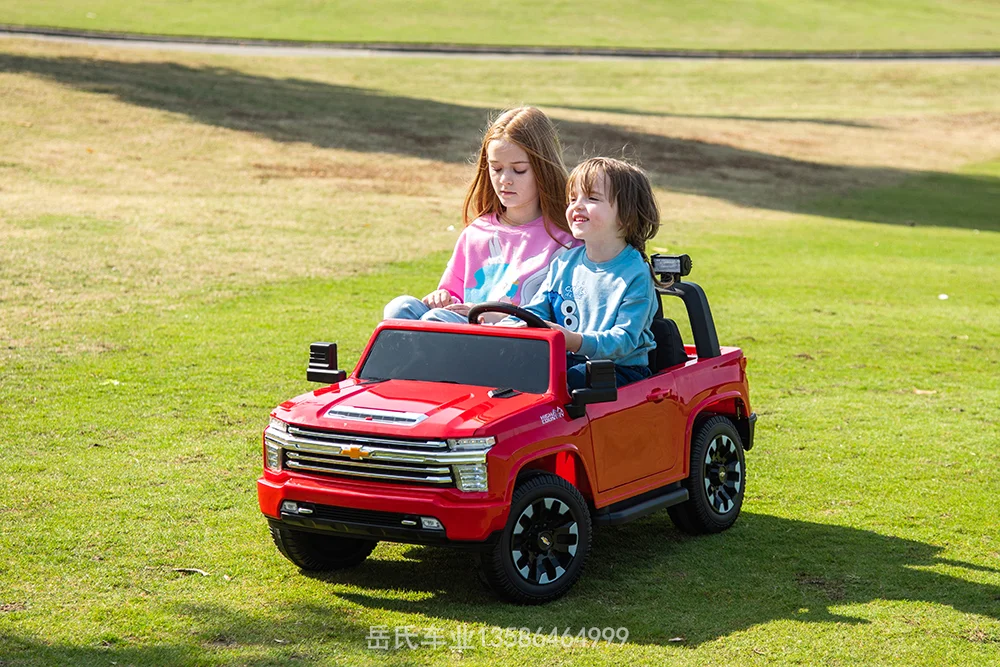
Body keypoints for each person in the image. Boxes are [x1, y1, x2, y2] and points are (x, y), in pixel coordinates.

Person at [383, 107, 578, 324]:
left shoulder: (565, 240)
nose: (505, 179)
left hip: (513, 340)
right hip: (464, 329)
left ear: (543, 169)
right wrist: (440, 298)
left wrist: (489, 314)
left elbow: (560, 316)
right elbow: (451, 295)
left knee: (435, 320)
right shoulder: (477, 232)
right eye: (496, 168)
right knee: (400, 307)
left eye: (519, 170)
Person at [508, 157, 662, 390]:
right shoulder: (564, 263)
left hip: (621, 370)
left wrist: (575, 341)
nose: (577, 205)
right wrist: (512, 324)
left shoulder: (636, 274)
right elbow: (536, 310)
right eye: (572, 199)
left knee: (571, 380)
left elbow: (624, 340)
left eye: (592, 198)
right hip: (571, 360)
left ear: (626, 214)